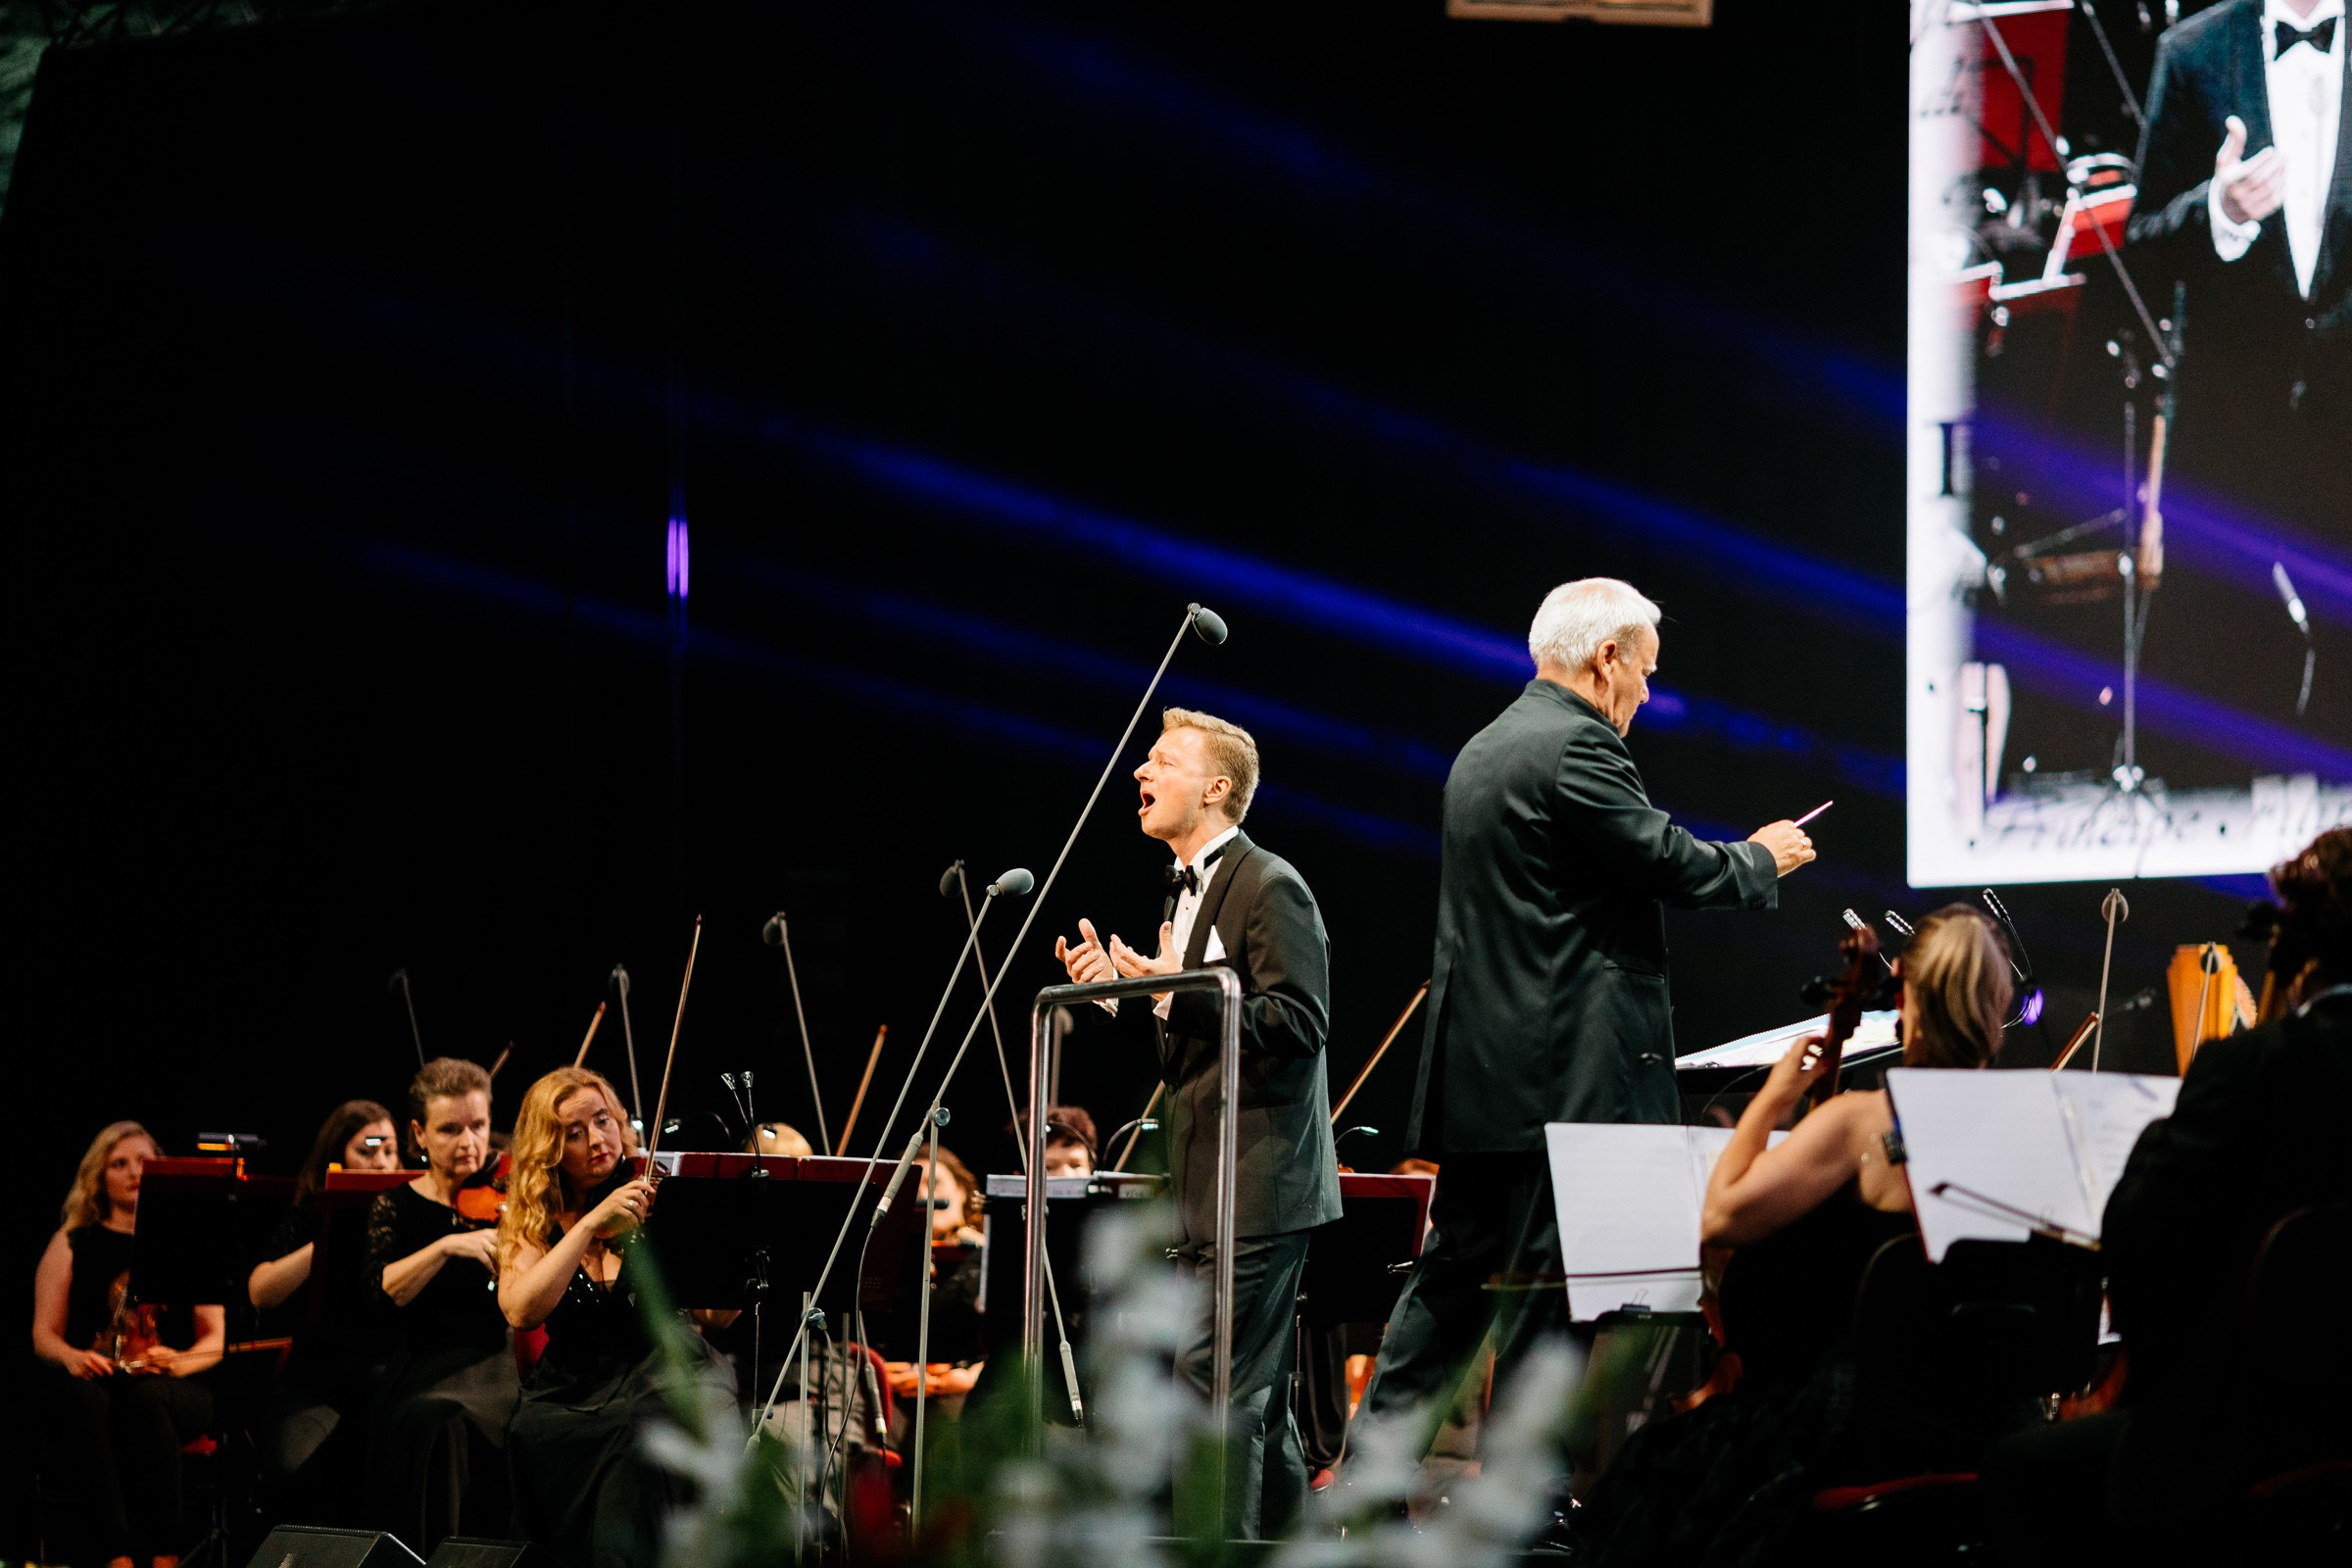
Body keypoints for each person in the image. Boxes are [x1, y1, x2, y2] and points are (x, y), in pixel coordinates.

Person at [1360, 578, 1813, 1442]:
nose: (1646, 693)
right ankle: (1525, 1517)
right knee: (1545, 1309)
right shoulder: (1577, 745)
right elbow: (1668, 860)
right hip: (1559, 1085)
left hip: (1483, 1085)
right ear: (1607, 659)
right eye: (1645, 672)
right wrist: (1762, 857)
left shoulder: (1484, 748)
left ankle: (1364, 1487)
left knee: (1447, 1295)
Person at [1580, 904, 2015, 1567]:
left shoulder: (1862, 1121)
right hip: (1986, 1419)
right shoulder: (2026, 1124)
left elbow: (1721, 1215)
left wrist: (1774, 1098)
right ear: (1996, 1003)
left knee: (1653, 1483)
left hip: (1860, 1428)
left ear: (1906, 996)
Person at [1983, 826, 2352, 1562]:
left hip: (2250, 1430)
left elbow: (2139, 1245)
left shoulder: (2251, 1068)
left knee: (2016, 1470)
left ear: (2298, 941)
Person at [1054, 707, 1341, 1538]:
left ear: (1216, 789)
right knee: (1256, 1405)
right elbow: (1198, 1036)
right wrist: (1126, 991)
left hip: (1260, 1185)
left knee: (1212, 1389)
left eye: (1163, 761)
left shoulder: (1269, 883)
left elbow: (1300, 1022)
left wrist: (1179, 992)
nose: (1141, 773)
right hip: (1206, 1186)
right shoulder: (1185, 891)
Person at [2126, 0, 2348, 534]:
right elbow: (2143, 239)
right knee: (2216, 615)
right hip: (2227, 431)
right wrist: (2220, 211)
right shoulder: (2191, 51)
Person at [499, 1066, 733, 1568]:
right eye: (574, 1133)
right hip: (572, 1386)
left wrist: (731, 1251)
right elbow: (521, 1311)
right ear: (550, 1148)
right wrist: (588, 1225)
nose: (597, 1140)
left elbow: (716, 1315)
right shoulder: (536, 1218)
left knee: (638, 1432)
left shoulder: (660, 1196)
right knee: (527, 1428)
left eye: (603, 1120)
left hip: (665, 1372)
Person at [31, 1122, 226, 1568]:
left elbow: (216, 1337)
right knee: (84, 1400)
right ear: (99, 1175)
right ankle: (115, 1555)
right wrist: (73, 1357)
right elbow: (43, 1335)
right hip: (98, 1381)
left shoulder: (184, 1239)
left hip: (170, 1384)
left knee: (143, 1400)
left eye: (143, 1162)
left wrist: (179, 1361)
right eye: (119, 1163)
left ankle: (164, 1555)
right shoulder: (71, 1242)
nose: (133, 1172)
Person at [365, 1057, 515, 1550]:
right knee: (437, 1422)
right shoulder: (397, 1205)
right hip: (425, 1366)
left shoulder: (510, 1192)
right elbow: (385, 1287)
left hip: (497, 1363)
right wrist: (447, 1245)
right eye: (449, 1129)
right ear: (419, 1134)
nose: (469, 1142)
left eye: (479, 1126)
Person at [246, 1099, 400, 1518]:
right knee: (288, 1471)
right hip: (316, 1385)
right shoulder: (310, 1218)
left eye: (389, 1150)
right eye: (366, 1152)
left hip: (389, 1384)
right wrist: (332, 1237)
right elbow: (261, 1291)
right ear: (336, 1159)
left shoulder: (410, 1218)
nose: (381, 1164)